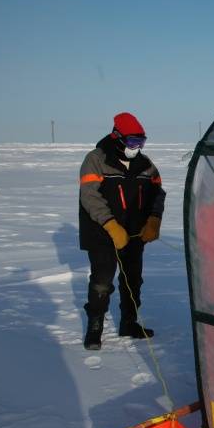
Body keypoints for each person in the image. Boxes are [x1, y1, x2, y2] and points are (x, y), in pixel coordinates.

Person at [78, 112, 165, 350]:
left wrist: (154, 220)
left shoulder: (145, 164)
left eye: (141, 142)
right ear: (117, 137)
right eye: (132, 142)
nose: (136, 147)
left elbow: (158, 193)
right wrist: (110, 224)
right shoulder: (96, 160)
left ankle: (130, 322)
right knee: (102, 282)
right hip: (102, 234)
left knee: (133, 280)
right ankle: (95, 327)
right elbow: (90, 196)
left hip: (134, 234)